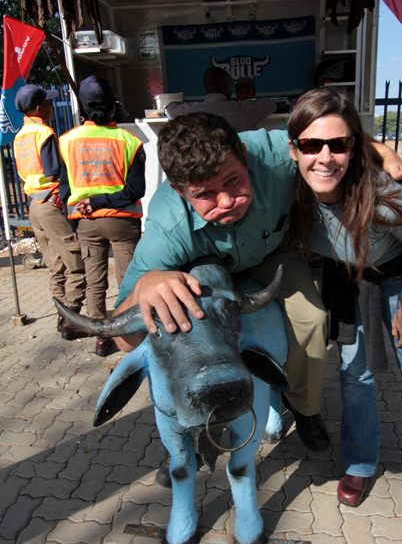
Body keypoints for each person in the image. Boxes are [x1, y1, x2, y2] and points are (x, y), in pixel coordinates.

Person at [114, 111, 402, 453]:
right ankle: (197, 426)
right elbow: (124, 341)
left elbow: (334, 140)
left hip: (273, 255)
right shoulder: (166, 230)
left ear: (245, 157)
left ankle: (305, 409)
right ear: (179, 191)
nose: (226, 201)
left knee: (312, 320)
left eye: (233, 181)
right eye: (205, 194)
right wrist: (144, 287)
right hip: (202, 270)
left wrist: (383, 153)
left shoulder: (276, 152)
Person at [287, 87, 402, 516]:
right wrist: (383, 148)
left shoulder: (383, 197)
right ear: (294, 148)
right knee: (355, 374)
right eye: (312, 145)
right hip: (348, 280)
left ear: (353, 148)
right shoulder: (291, 182)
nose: (324, 157)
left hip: (401, 278)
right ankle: (359, 462)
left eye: (339, 144)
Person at [59, 76, 146, 357]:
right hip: (122, 221)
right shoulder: (129, 141)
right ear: (113, 108)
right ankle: (127, 332)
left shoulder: (67, 142)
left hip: (85, 222)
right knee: (127, 279)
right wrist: (103, 200)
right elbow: (136, 189)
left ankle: (100, 337)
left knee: (95, 281)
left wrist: (75, 221)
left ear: (83, 110)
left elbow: (64, 190)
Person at [13, 84, 86, 340]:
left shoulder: (20, 135)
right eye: (47, 102)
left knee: (55, 264)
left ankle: (61, 311)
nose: (51, 105)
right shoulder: (44, 132)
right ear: (37, 108)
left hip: (34, 204)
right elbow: (53, 170)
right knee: (74, 261)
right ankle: (72, 315)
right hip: (50, 203)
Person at [165, 66, 277, 131]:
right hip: (236, 161)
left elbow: (169, 109)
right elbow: (270, 104)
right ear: (223, 85)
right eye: (229, 85)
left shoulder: (191, 110)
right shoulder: (242, 109)